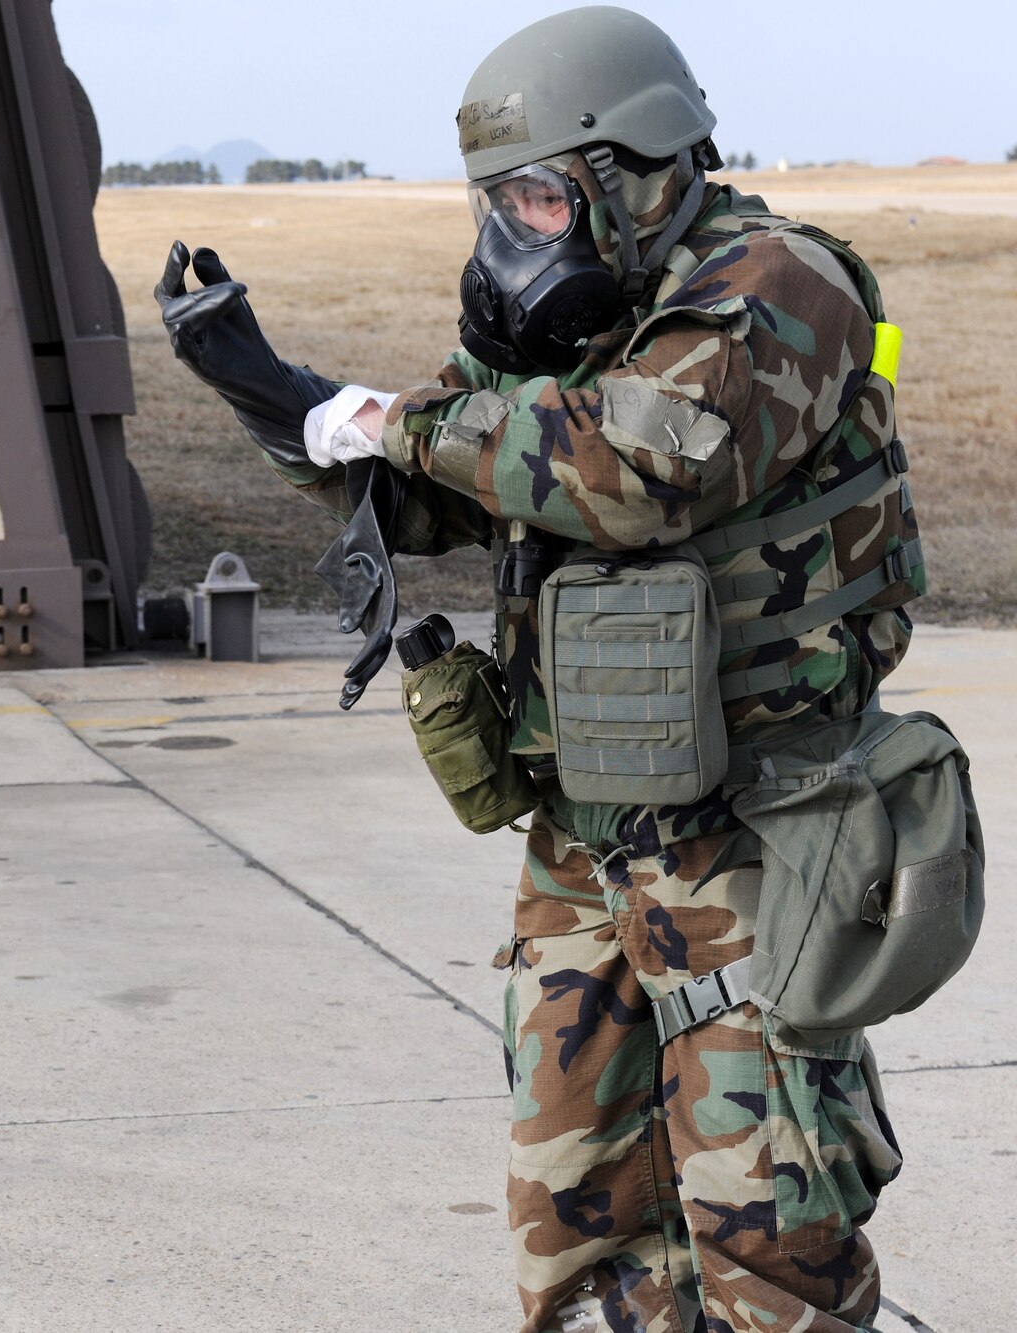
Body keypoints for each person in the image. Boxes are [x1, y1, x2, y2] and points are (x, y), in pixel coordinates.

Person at [157, 6, 924, 1330]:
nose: (517, 234)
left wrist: (388, 422)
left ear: (639, 168)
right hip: (584, 844)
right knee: (581, 1238)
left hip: (754, 845)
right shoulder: (568, 320)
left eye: (540, 198)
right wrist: (277, 397)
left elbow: (639, 465)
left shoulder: (778, 287)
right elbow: (428, 489)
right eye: (500, 203)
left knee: (770, 1240)